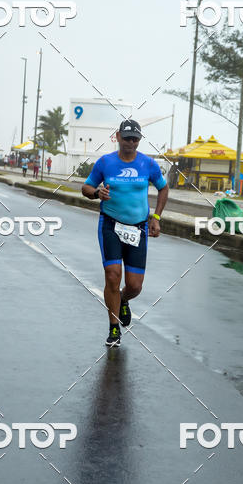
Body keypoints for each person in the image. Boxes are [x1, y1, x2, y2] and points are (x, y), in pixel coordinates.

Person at [82, 119, 168, 346]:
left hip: (138, 228)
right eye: (127, 137)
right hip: (110, 224)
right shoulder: (105, 162)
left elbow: (163, 188)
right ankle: (113, 329)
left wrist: (156, 218)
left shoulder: (148, 164)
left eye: (135, 139)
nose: (130, 142)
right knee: (112, 275)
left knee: (135, 286)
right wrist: (96, 193)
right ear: (118, 137)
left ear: (139, 140)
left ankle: (122, 300)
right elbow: (86, 186)